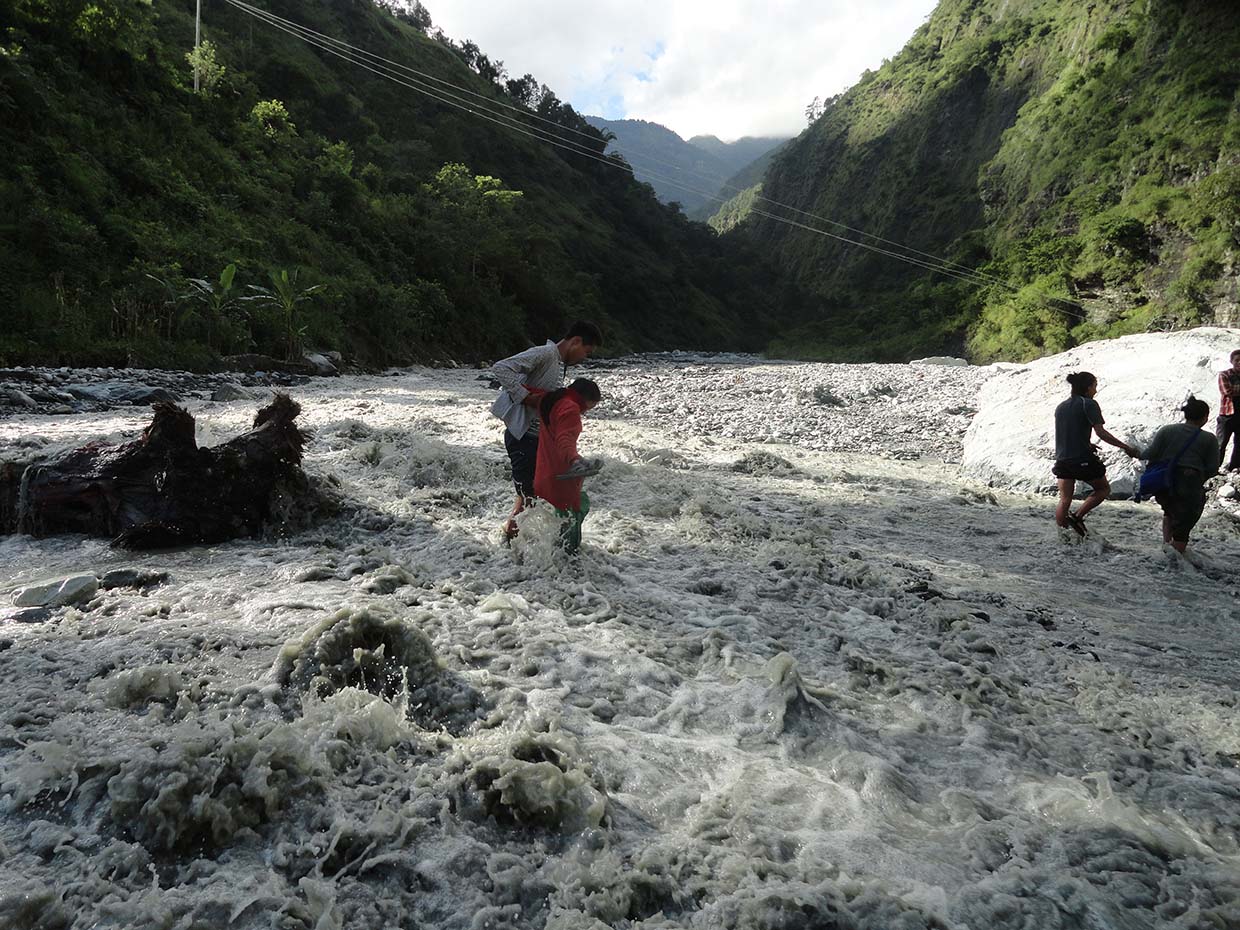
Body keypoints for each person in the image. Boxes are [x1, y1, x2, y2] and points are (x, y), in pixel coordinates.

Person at [489, 321, 602, 540]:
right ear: (575, 341)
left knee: (528, 497)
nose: (584, 358)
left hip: (535, 438)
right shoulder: (546, 354)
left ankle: (513, 542)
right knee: (528, 498)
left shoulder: (558, 363)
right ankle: (509, 544)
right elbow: (501, 368)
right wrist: (524, 396)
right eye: (586, 352)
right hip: (521, 437)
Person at [1052, 371, 1139, 536]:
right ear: (1088, 387)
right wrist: (1125, 446)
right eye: (1094, 386)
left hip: (1062, 460)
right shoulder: (1089, 404)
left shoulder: (1061, 406)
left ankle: (1063, 537)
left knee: (1064, 500)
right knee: (1103, 489)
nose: (1096, 390)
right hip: (1082, 459)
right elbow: (1101, 432)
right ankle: (1077, 517)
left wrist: (1087, 443)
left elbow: (1067, 431)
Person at [1138, 397, 1219, 553]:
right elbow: (1213, 468)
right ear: (1205, 417)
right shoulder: (1208, 439)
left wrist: (1135, 452)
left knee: (1169, 512)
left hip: (1163, 483)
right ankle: (1175, 562)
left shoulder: (1166, 430)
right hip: (1189, 484)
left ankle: (1166, 548)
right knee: (1183, 526)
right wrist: (1198, 476)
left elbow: (1150, 453)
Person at [533, 378, 602, 554]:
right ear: (586, 398)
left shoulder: (552, 400)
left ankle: (554, 554)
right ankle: (570, 559)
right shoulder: (571, 408)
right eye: (591, 406)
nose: (586, 412)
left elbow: (560, 438)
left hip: (545, 470)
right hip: (562, 474)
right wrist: (575, 460)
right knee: (577, 509)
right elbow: (565, 439)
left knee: (562, 516)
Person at [1215, 349, 1240, 472]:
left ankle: (1234, 468)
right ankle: (1214, 468)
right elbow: (1227, 391)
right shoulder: (1224, 374)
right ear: (1231, 361)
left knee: (1239, 444)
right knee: (1220, 443)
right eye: (1237, 360)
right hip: (1227, 415)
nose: (1239, 362)